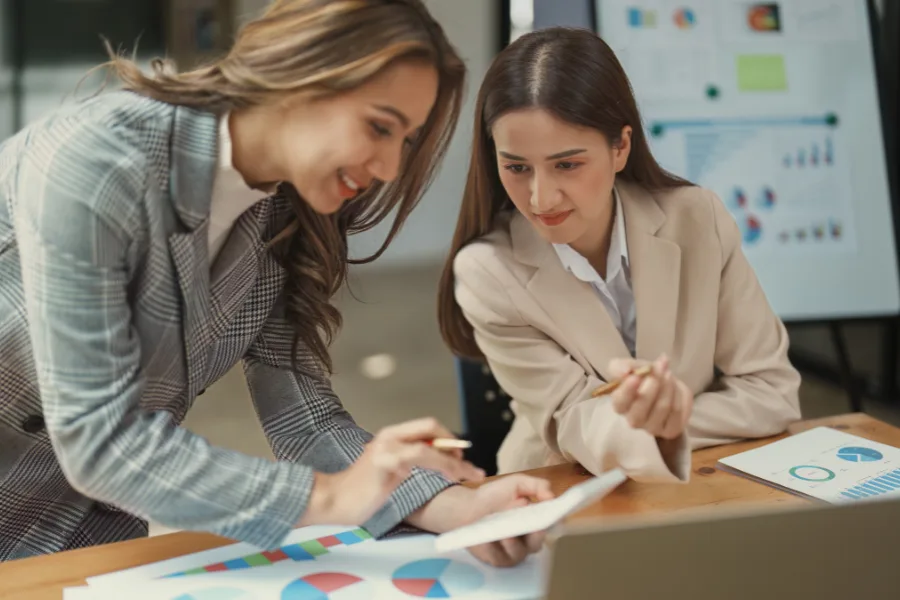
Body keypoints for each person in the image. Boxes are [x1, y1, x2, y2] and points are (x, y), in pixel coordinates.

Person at [0, 0, 552, 563]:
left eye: (404, 142)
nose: (388, 168)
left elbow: (303, 417)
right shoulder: (95, 160)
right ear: (301, 75)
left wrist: (457, 507)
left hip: (75, 543)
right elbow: (101, 442)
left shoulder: (287, 214)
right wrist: (333, 497)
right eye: (379, 127)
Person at [438, 27, 802, 482]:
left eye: (567, 164)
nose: (540, 198)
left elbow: (772, 392)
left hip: (701, 480)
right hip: (559, 489)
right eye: (516, 167)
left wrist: (672, 426)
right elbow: (573, 419)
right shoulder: (486, 271)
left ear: (621, 147)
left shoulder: (697, 219)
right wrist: (667, 430)